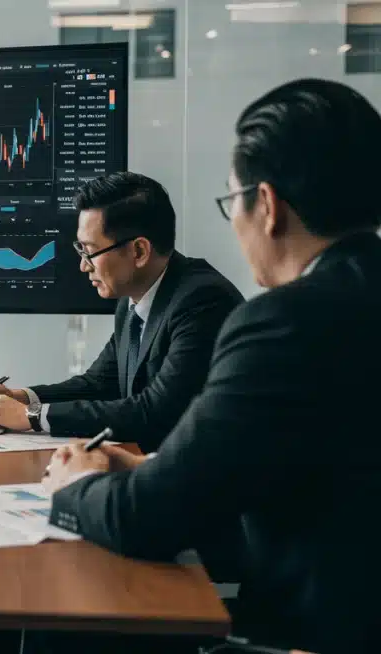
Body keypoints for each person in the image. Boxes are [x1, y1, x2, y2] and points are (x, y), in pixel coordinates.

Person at [45, 79, 381, 653]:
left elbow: (146, 520)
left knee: (67, 614)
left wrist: (73, 485)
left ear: (267, 205)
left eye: (233, 203)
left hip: (314, 631)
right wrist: (146, 470)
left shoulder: (284, 323)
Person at [0, 172, 242, 451]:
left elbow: (157, 410)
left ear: (138, 252)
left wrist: (33, 417)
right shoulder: (132, 300)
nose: (83, 266)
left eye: (90, 251)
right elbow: (99, 383)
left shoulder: (202, 301)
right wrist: (22, 398)